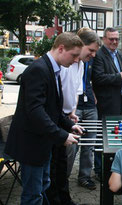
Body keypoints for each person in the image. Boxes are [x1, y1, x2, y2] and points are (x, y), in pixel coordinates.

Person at [4, 32, 84, 205]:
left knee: (43, 185)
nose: (77, 60)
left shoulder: (52, 68)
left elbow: (53, 108)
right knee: (33, 194)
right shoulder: (39, 69)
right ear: (61, 48)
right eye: (75, 55)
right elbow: (35, 111)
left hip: (42, 142)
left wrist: (69, 125)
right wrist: (61, 135)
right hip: (31, 144)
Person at [59, 28, 100, 191]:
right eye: (91, 50)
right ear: (80, 44)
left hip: (77, 110)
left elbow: (76, 90)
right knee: (68, 151)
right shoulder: (64, 63)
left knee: (88, 145)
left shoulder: (82, 64)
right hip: (58, 118)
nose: (94, 55)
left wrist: (72, 112)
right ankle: (62, 184)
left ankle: (72, 182)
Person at [91, 27, 122, 179]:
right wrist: (119, 75)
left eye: (116, 39)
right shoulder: (99, 55)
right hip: (105, 103)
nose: (114, 42)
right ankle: (100, 170)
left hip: (119, 101)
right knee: (102, 137)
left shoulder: (118, 53)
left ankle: (112, 169)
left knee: (115, 136)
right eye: (111, 39)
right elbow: (98, 78)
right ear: (104, 39)